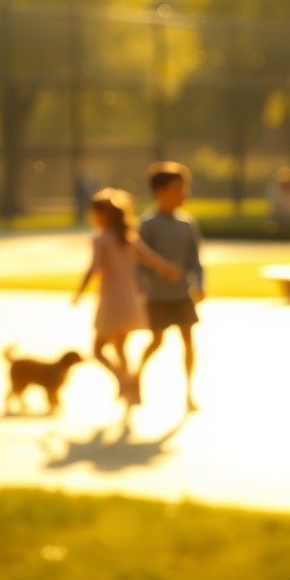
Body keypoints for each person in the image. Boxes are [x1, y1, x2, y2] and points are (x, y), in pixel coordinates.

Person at [71, 188, 179, 405]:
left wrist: (79, 292)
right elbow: (150, 257)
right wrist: (167, 268)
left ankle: (123, 380)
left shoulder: (102, 239)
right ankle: (132, 391)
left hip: (111, 300)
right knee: (120, 347)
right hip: (131, 300)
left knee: (98, 349)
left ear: (102, 215)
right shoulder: (128, 237)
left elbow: (93, 268)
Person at [135, 162, 206, 412]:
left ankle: (188, 393)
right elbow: (139, 262)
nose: (183, 193)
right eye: (178, 188)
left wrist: (199, 283)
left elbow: (195, 260)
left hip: (181, 295)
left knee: (188, 341)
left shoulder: (186, 224)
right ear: (160, 191)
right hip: (158, 295)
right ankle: (136, 377)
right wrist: (158, 272)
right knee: (156, 341)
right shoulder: (148, 224)